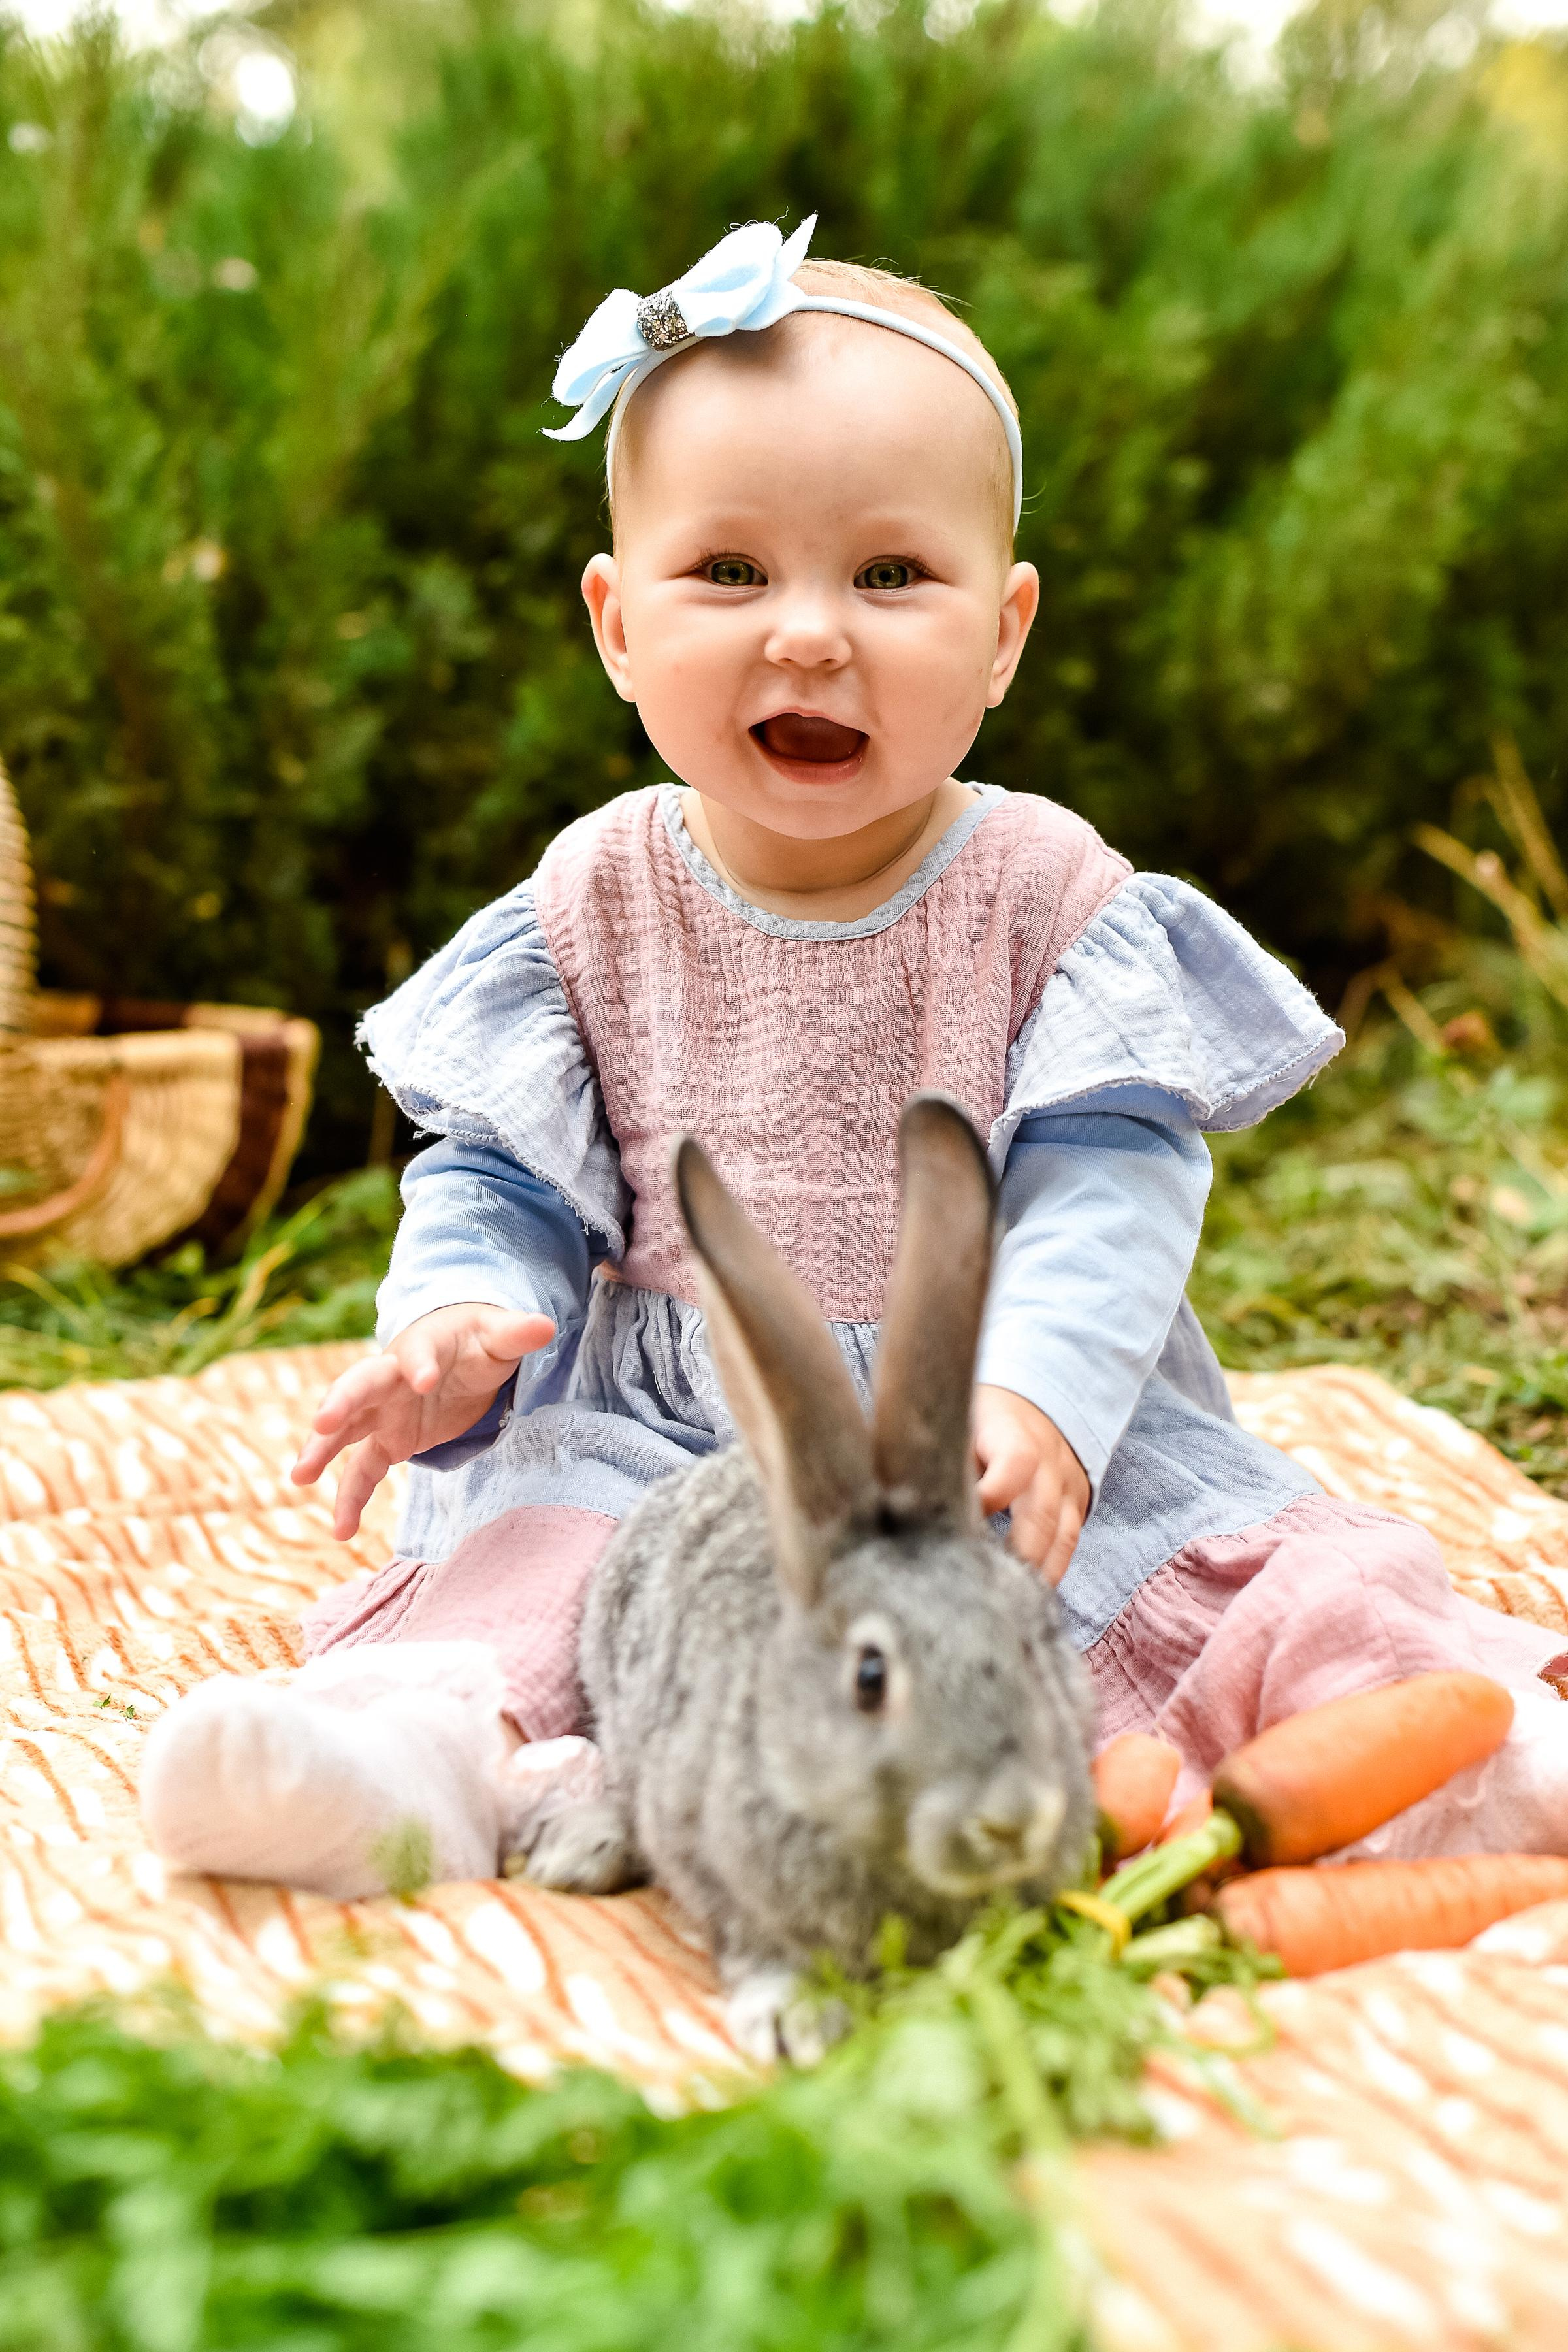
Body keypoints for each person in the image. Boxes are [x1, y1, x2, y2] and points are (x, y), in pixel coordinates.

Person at [141, 218, 1568, 1898]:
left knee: (1232, 1576)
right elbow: (500, 1173)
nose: (809, 634)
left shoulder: (1047, 896)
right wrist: (454, 1320)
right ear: (613, 623)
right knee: (550, 1562)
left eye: (890, 577)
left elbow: (1107, 1182)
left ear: (1005, 631)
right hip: (671, 1428)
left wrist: (1036, 1389)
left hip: (987, 1416)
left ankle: (1442, 1745)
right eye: (728, 573)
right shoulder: (589, 899)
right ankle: (418, 1762)